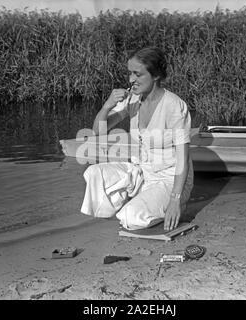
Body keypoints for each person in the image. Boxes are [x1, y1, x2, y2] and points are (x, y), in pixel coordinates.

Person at [80, 47, 194, 231]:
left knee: (129, 218)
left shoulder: (174, 106)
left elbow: (183, 160)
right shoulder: (132, 99)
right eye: (130, 73)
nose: (131, 80)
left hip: (169, 181)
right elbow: (98, 132)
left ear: (155, 75)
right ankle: (141, 201)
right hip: (141, 173)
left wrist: (175, 200)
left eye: (137, 74)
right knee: (93, 173)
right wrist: (107, 106)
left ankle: (162, 205)